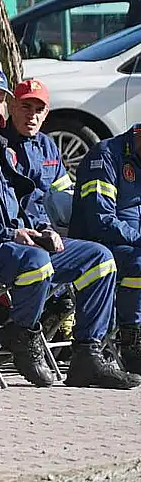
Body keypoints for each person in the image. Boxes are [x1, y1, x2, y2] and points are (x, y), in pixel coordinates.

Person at [0, 66, 135, 389]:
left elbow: (26, 198)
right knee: (37, 264)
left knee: (99, 259)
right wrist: (11, 234)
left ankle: (88, 354)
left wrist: (44, 227)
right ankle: (24, 335)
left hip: (15, 245)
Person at [72, 124, 141, 374]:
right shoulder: (106, 156)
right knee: (140, 263)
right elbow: (101, 221)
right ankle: (133, 343)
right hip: (98, 245)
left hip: (131, 245)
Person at [0, 79, 73, 227]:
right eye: (26, 107)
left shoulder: (48, 146)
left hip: (50, 225)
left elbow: (63, 193)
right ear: (12, 107)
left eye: (39, 110)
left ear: (46, 114)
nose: (32, 115)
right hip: (14, 228)